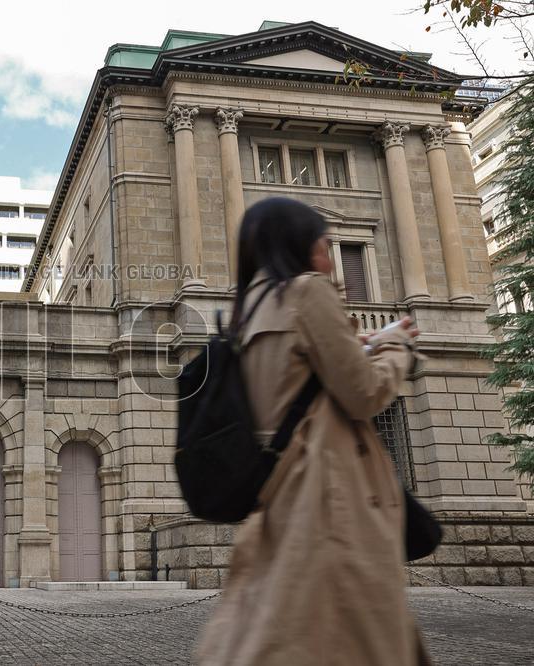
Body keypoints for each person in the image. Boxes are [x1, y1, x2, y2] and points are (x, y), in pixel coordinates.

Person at [194, 197, 429, 665]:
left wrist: (364, 342)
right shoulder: (307, 292)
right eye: (324, 245)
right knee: (351, 636)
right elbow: (363, 393)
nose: (331, 261)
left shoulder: (249, 309)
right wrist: (397, 348)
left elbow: (298, 377)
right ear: (300, 245)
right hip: (333, 496)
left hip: (284, 497)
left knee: (282, 628)